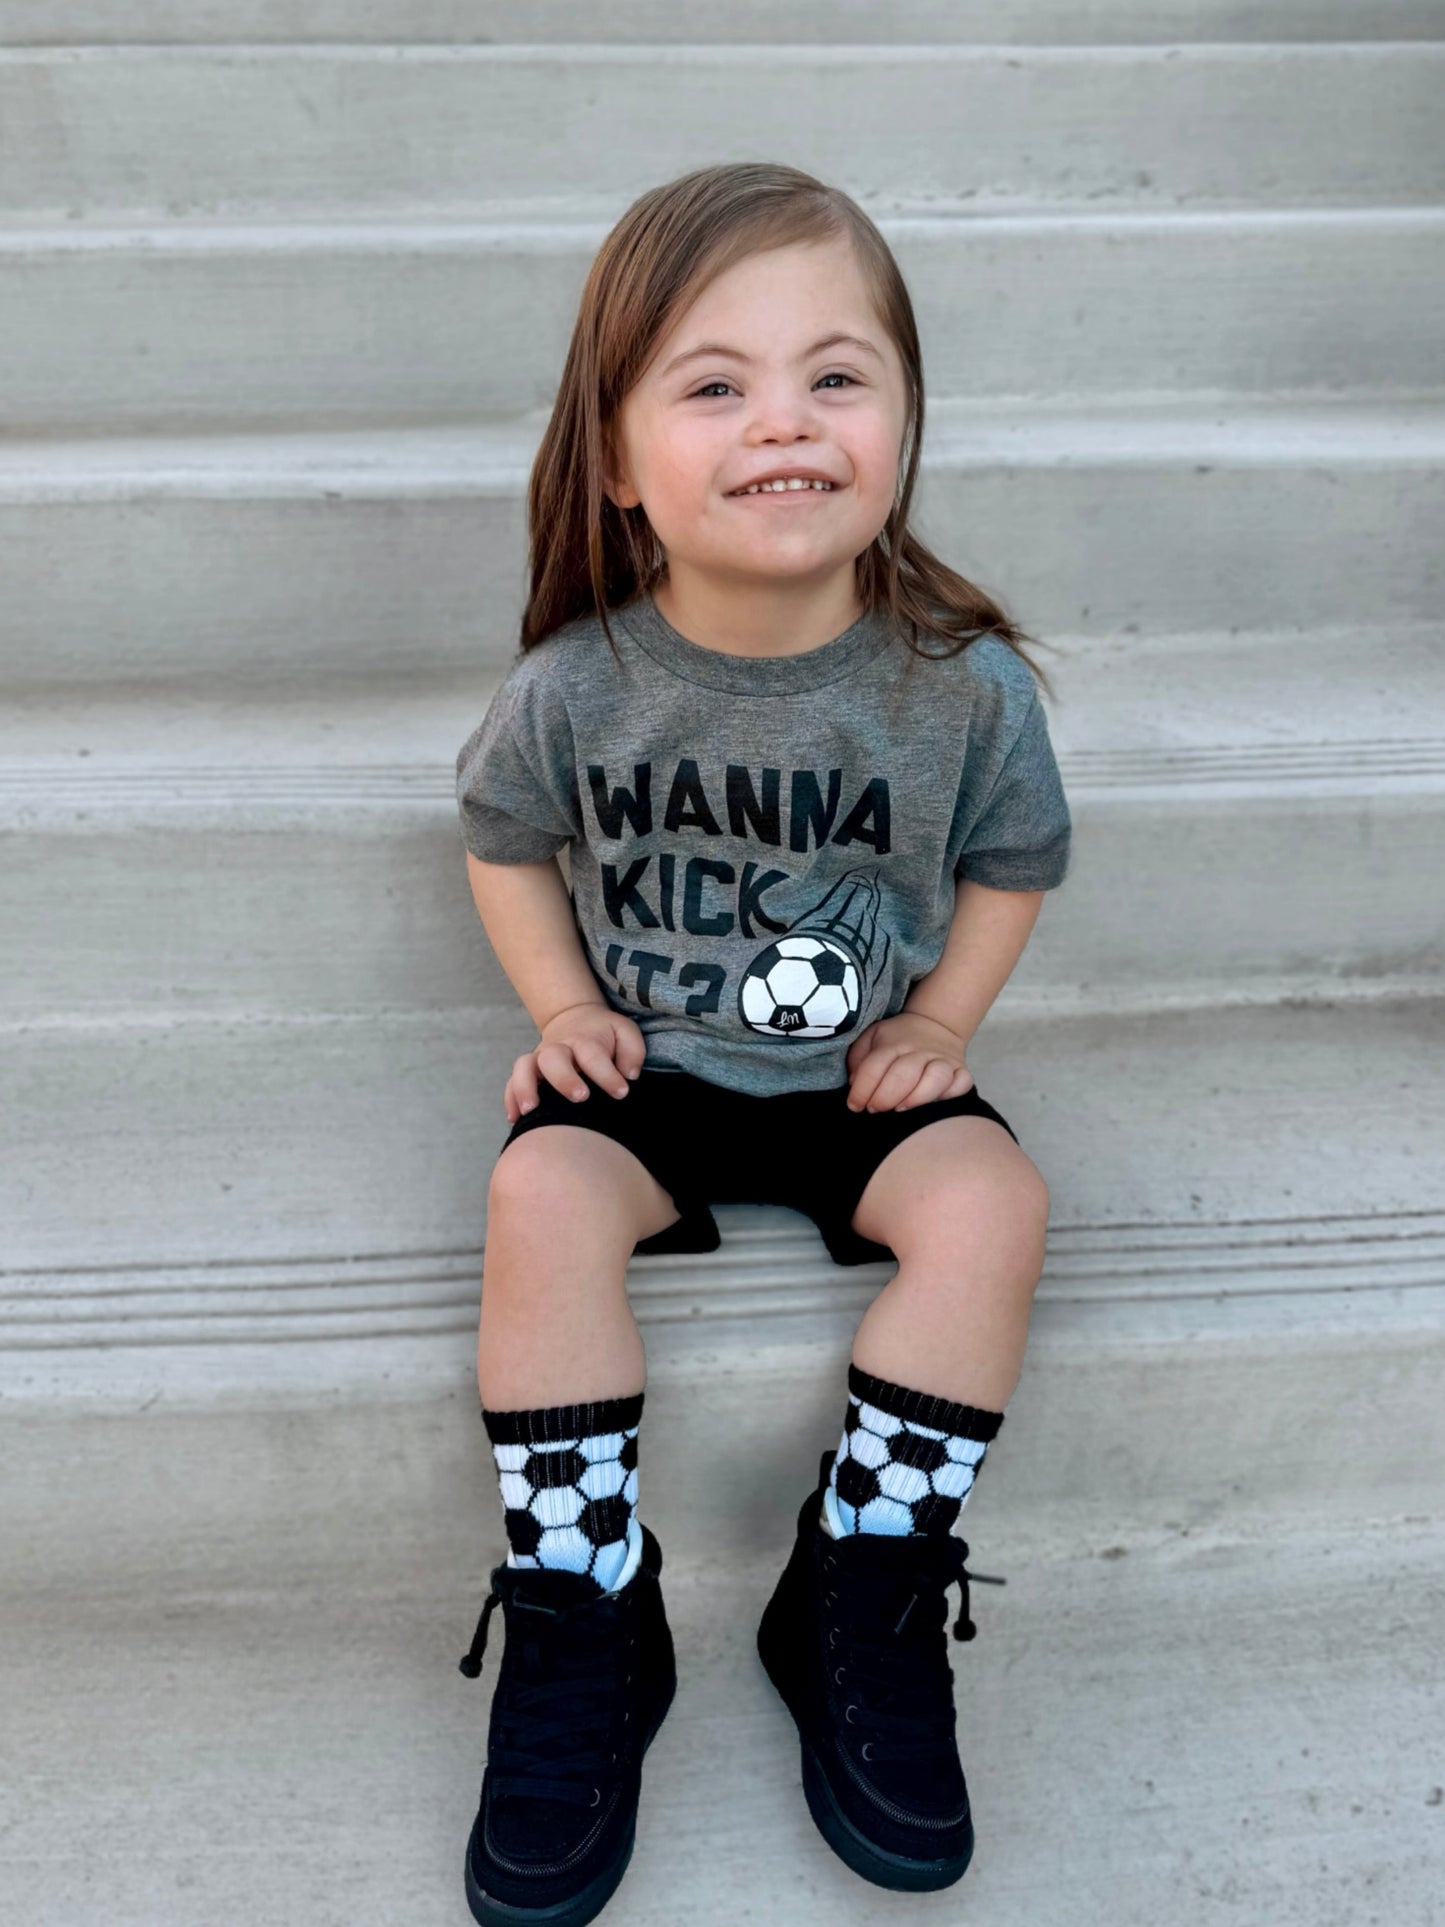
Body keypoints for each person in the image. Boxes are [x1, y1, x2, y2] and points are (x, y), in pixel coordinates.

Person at [452, 160, 1072, 1927]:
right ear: (614, 457)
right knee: (539, 1200)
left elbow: (1013, 862)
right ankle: (585, 1602)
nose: (783, 420)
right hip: (652, 1070)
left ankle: (860, 1577)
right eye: (714, 383)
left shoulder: (961, 686)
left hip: (857, 1072)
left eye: (835, 374)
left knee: (994, 1207)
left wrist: (938, 1022)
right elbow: (502, 839)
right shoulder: (576, 684)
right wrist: (566, 1011)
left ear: (902, 418)